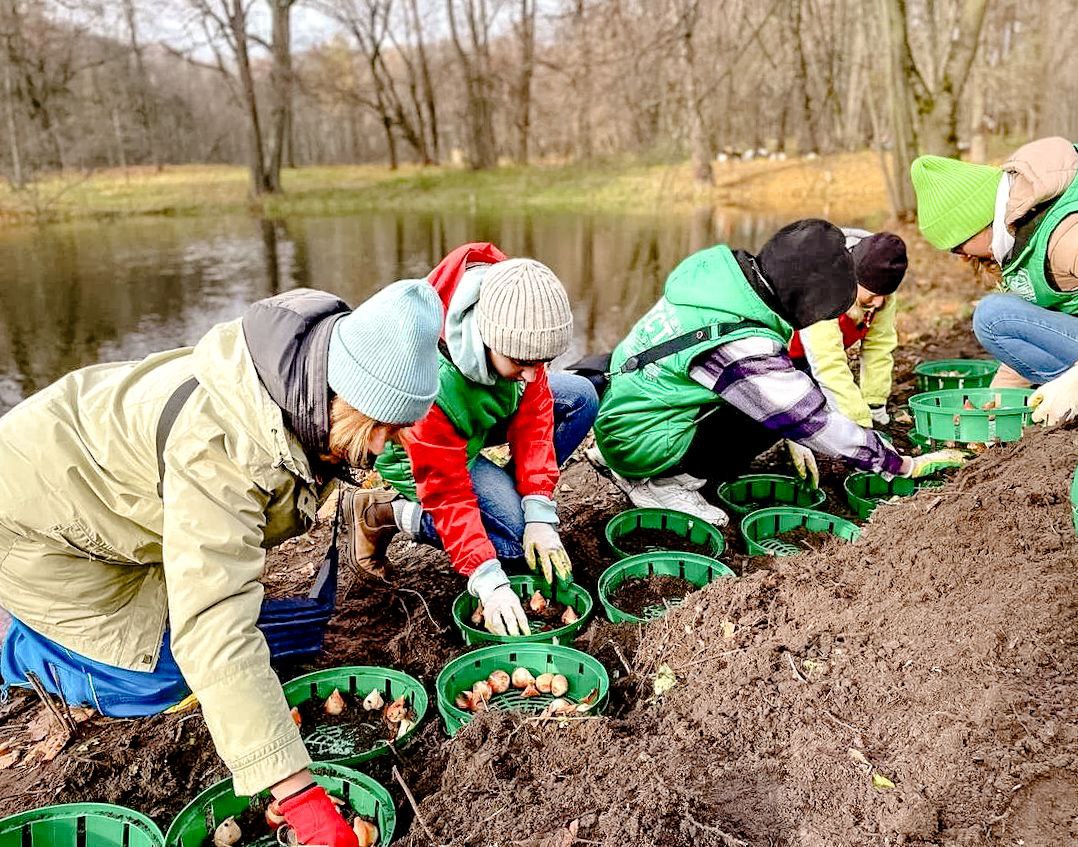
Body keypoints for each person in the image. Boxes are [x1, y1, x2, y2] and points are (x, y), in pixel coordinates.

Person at [0, 281, 445, 847]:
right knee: (168, 677)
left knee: (258, 644)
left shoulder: (298, 388)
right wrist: (299, 795)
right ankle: (24, 649)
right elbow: (214, 623)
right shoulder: (219, 451)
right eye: (375, 428)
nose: (382, 449)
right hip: (35, 528)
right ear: (337, 394)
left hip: (117, 506)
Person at [588, 219, 963, 525]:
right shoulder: (740, 344)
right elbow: (809, 419)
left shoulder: (721, 280)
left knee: (774, 396)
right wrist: (897, 463)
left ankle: (626, 457)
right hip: (636, 441)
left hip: (623, 410)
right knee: (764, 418)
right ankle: (665, 484)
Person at [344, 244, 598, 638]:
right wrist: (487, 578)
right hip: (419, 456)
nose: (534, 375)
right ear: (487, 339)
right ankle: (384, 512)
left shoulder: (514, 313)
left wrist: (539, 511)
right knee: (512, 547)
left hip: (473, 420)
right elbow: (448, 494)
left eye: (541, 363)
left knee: (580, 398)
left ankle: (508, 505)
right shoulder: (430, 384)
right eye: (522, 364)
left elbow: (535, 417)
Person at [910, 137, 1078, 395]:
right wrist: (992, 406)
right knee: (998, 316)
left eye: (957, 248)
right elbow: (1034, 330)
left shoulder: (1067, 235)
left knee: (993, 315)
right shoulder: (1019, 232)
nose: (963, 258)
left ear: (975, 225)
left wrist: (1071, 386)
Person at [788, 230, 908, 428]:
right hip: (782, 356)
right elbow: (828, 361)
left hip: (814, 359)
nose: (878, 303)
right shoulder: (821, 290)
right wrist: (859, 421)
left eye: (885, 295)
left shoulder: (882, 295)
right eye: (872, 295)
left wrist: (874, 403)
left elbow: (879, 345)